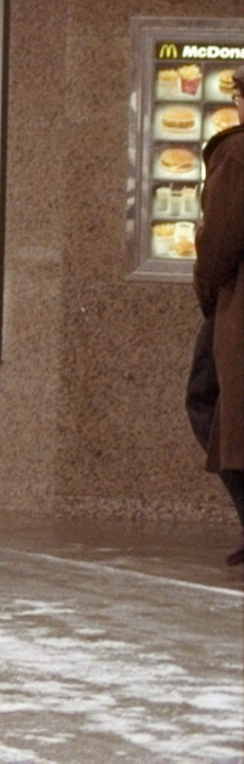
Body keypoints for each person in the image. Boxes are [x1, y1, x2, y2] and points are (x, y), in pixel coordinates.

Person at [190, 76, 244, 565]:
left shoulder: (237, 153)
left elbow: (220, 243)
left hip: (238, 310)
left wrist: (208, 295)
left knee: (209, 401)